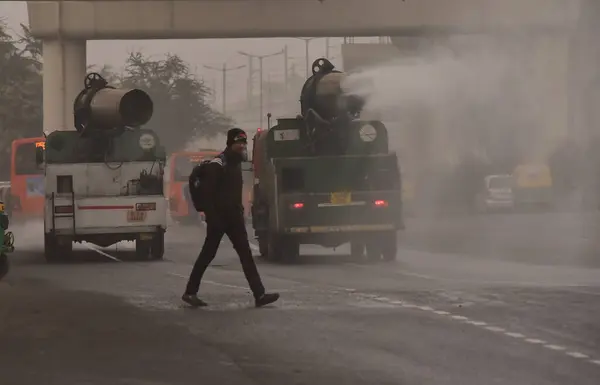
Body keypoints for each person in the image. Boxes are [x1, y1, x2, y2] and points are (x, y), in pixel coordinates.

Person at [182, 128, 280, 308]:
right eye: (238, 143)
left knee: (246, 255)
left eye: (243, 143)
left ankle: (260, 294)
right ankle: (190, 292)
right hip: (219, 218)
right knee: (207, 255)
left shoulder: (235, 165)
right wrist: (212, 217)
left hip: (234, 218)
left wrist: (240, 211)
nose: (242, 146)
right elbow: (206, 193)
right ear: (230, 143)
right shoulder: (218, 164)